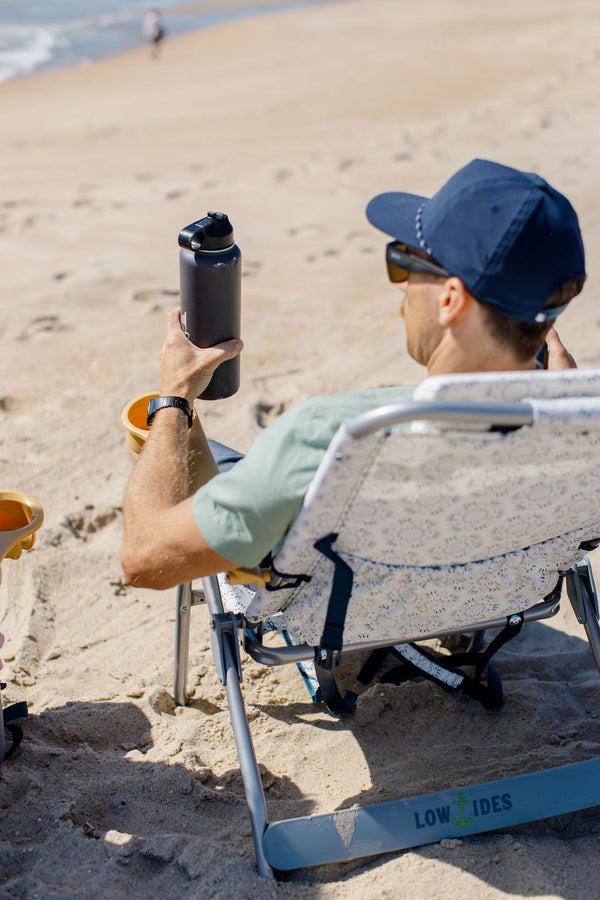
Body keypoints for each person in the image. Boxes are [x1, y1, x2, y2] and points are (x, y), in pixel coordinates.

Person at [121, 158, 586, 590]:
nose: (402, 285)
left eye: (405, 260)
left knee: (156, 428)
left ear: (450, 300)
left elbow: (143, 558)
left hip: (337, 603)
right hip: (487, 591)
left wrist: (176, 393)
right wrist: (563, 397)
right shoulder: (578, 433)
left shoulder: (331, 437)